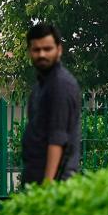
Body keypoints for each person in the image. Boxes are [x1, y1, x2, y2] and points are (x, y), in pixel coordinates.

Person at [21, 23, 81, 185]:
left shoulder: (60, 85)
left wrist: (47, 187)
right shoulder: (41, 86)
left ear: (59, 50)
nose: (42, 54)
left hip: (55, 183)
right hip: (36, 178)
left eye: (47, 49)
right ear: (29, 52)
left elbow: (58, 140)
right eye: (36, 49)